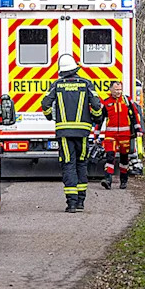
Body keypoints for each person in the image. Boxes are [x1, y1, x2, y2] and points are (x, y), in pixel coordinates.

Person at [41, 54, 103, 213]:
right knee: (81, 163)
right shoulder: (86, 84)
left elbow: (45, 104)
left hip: (64, 133)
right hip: (83, 132)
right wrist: (97, 118)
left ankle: (72, 204)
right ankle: (81, 201)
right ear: (75, 69)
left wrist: (49, 116)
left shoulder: (57, 85)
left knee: (68, 164)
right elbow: (96, 106)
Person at [97, 81, 143, 190]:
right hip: (110, 135)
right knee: (110, 156)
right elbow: (100, 120)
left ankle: (123, 180)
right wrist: (96, 135)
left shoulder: (127, 101)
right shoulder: (106, 102)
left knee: (124, 159)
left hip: (125, 135)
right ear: (110, 90)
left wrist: (138, 129)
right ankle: (108, 180)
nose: (118, 92)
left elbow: (135, 115)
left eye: (120, 89)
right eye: (116, 90)